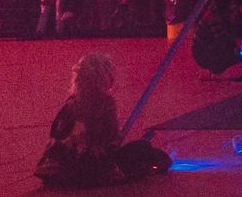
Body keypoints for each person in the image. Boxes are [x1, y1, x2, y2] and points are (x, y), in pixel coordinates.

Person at [34, 53, 170, 188]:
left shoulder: (70, 103)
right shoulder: (105, 103)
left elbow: (57, 135)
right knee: (143, 147)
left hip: (55, 169)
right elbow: (110, 140)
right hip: (88, 168)